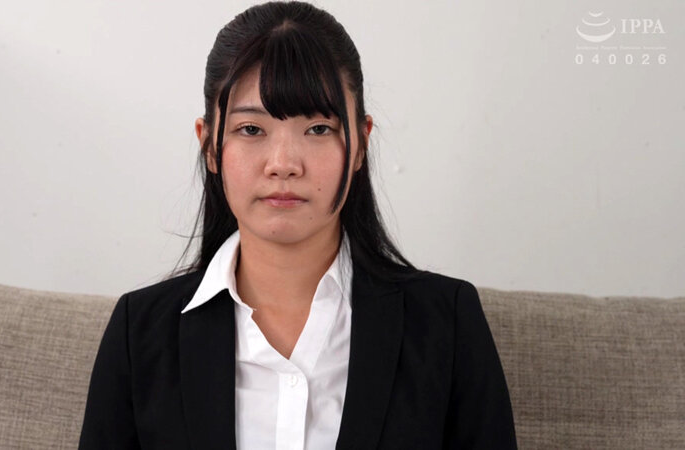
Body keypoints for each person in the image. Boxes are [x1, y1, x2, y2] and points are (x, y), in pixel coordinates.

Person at [78, 1, 517, 449]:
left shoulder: (447, 323)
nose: (283, 164)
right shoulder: (139, 333)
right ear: (209, 145)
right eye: (251, 129)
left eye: (319, 129)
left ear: (361, 143)